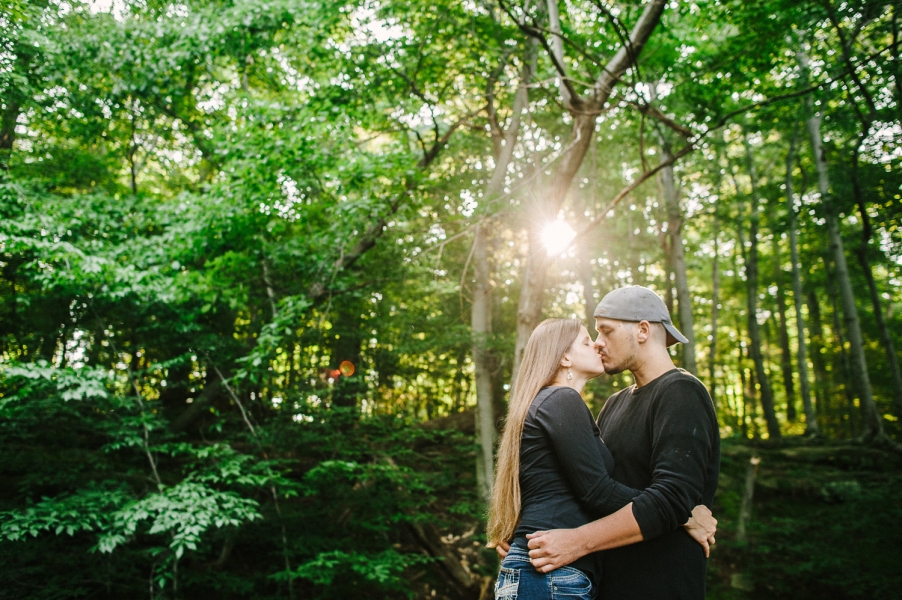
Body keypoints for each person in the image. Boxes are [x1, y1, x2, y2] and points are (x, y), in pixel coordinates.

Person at [487, 318, 716, 600]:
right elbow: (598, 491)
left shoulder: (553, 403)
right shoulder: (561, 399)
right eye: (587, 341)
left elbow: (551, 484)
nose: (596, 344)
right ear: (565, 358)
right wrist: (681, 514)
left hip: (549, 570)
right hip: (549, 571)